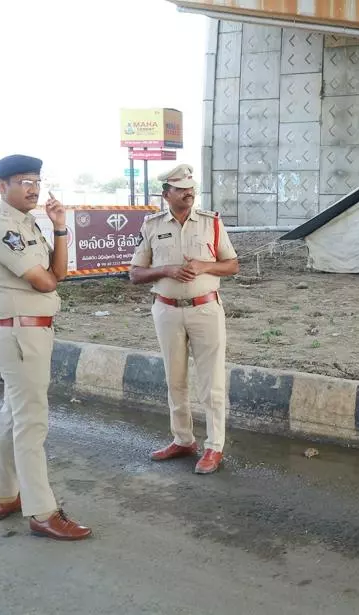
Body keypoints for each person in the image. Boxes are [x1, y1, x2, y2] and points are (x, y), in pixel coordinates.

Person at [0, 154, 91, 540]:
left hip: (27, 333)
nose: (34, 189)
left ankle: (5, 495)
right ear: (2, 186)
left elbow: (58, 273)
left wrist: (59, 227)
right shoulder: (0, 227)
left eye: (37, 181)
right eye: (24, 181)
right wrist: (50, 275)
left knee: (14, 415)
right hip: (19, 335)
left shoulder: (27, 223)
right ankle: (42, 512)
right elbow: (44, 283)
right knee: (31, 422)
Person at [129, 163, 239, 474]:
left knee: (211, 380)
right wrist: (166, 270)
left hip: (205, 309)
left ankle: (214, 445)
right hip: (166, 310)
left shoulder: (211, 223)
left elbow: (232, 265)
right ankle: (183, 439)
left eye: (191, 188)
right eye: (180, 190)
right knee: (174, 379)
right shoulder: (152, 226)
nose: (188, 194)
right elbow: (135, 273)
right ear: (166, 194)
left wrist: (205, 266)